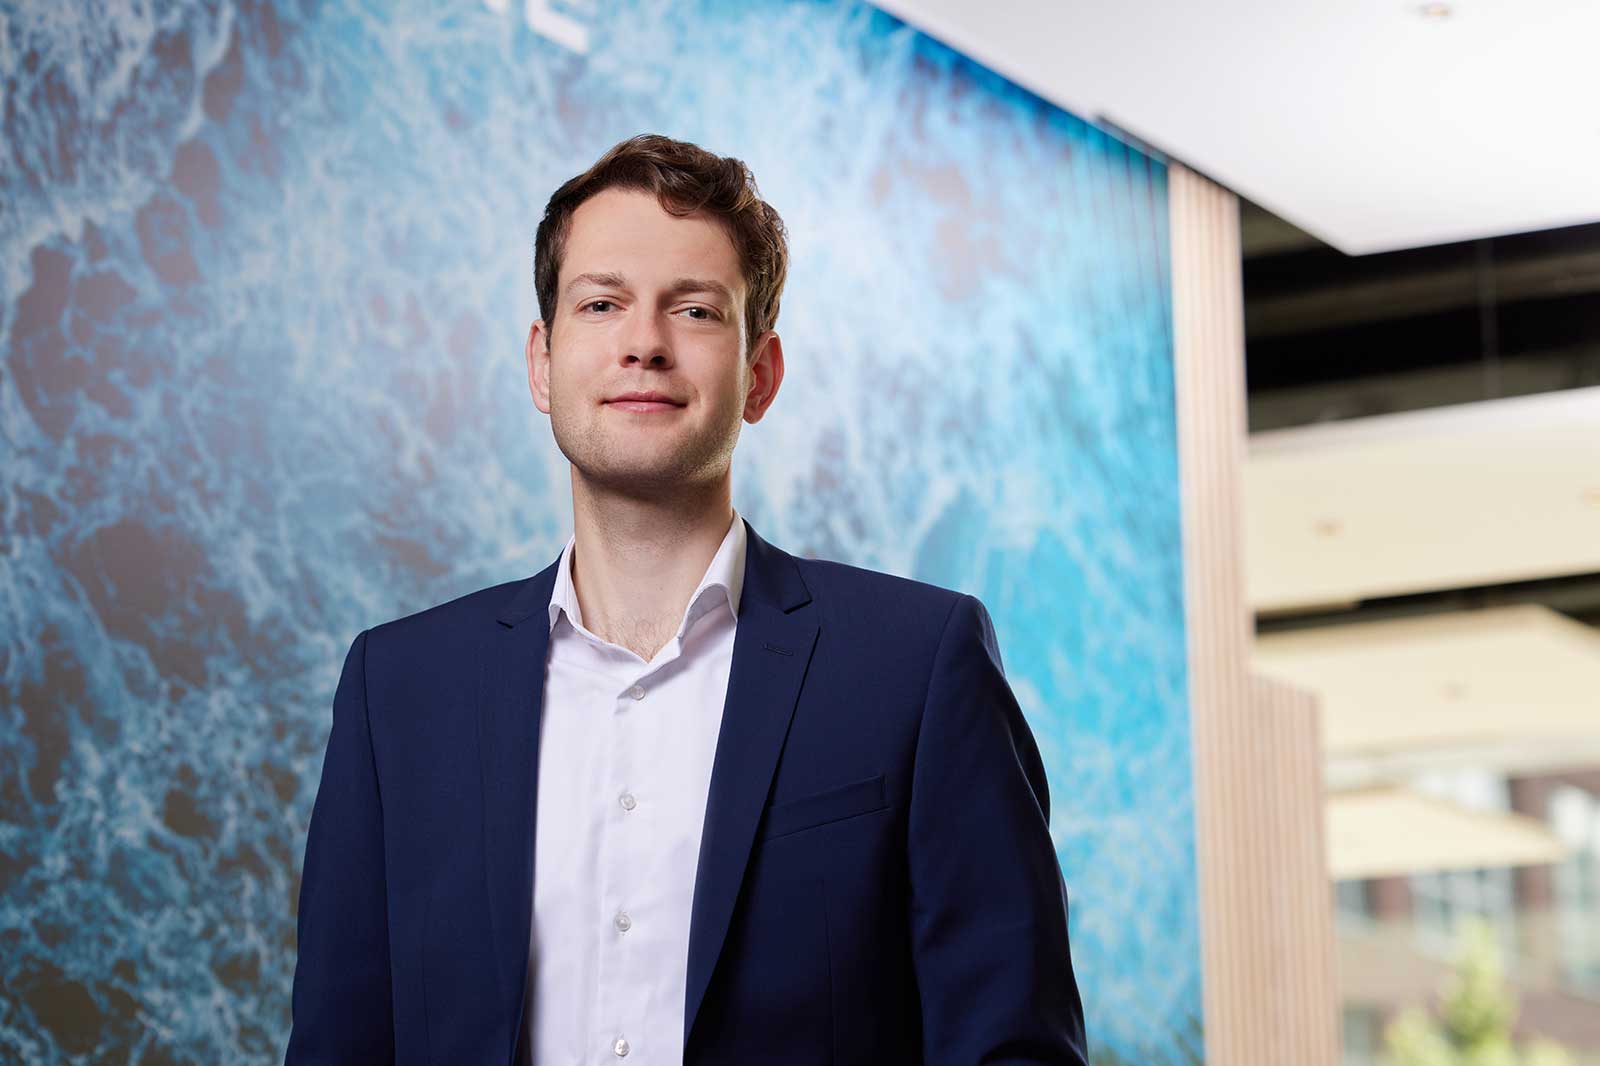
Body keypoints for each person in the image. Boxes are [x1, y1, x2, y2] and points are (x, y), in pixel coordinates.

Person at [286, 134, 1087, 1066]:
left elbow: (1012, 1048)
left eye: (696, 310)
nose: (644, 343)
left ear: (760, 374)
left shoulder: (917, 663)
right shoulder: (400, 689)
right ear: (542, 363)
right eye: (601, 303)